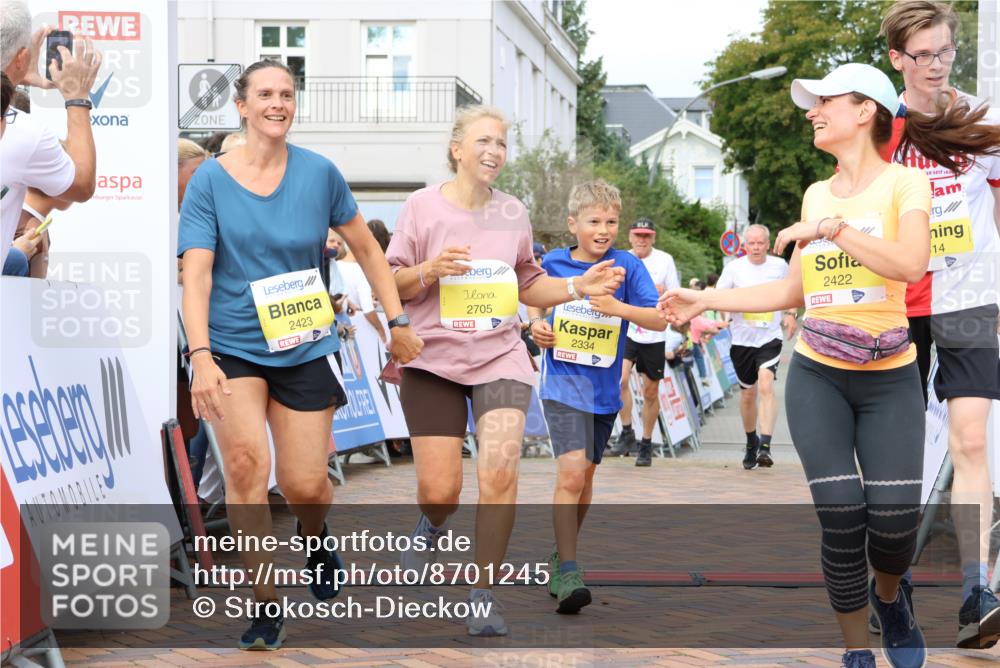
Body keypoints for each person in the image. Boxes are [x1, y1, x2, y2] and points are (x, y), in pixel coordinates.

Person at [657, 62, 998, 668]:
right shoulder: (816, 193)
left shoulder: (904, 185)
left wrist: (831, 230)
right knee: (842, 519)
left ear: (865, 110)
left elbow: (909, 263)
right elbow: (793, 292)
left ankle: (889, 598)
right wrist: (705, 298)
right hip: (818, 373)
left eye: (825, 101)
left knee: (893, 530)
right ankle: (855, 651)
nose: (813, 111)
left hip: (889, 376)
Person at [178, 59, 422, 650]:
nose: (277, 103)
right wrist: (201, 355)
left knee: (305, 484)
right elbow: (197, 275)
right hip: (233, 343)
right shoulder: (210, 180)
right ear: (242, 106)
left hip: (304, 342)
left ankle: (316, 537)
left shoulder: (319, 174)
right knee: (245, 469)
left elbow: (368, 250)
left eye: (286, 94)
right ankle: (265, 605)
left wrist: (396, 320)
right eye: (265, 94)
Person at [385, 104, 624, 637]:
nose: (495, 151)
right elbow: (391, 281)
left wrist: (576, 287)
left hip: (500, 357)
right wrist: (429, 269)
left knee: (498, 473)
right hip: (433, 360)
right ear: (457, 150)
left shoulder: (513, 211)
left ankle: (482, 595)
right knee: (441, 490)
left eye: (501, 143)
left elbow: (527, 281)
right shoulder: (421, 206)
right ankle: (431, 525)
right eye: (484, 141)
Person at [878, 1, 1000, 649]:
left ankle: (978, 590)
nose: (936, 65)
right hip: (900, 303)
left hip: (970, 298)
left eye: (945, 51)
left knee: (972, 440)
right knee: (900, 454)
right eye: (922, 55)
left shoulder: (984, 119)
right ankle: (892, 582)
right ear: (897, 58)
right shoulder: (879, 128)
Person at [527, 179, 662, 614]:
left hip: (604, 392)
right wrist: (536, 325)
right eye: (593, 221)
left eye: (611, 222)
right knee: (570, 475)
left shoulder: (627, 265)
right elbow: (532, 298)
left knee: (584, 479)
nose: (603, 230)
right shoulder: (553, 262)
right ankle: (569, 571)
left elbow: (658, 319)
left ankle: (560, 554)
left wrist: (618, 308)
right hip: (562, 385)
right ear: (573, 224)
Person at [1, 2, 101, 267]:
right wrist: (77, 97)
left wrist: (15, 75)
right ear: (22, 57)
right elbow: (81, 184)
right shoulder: (23, 134)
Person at [715, 224, 798, 469]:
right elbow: (719, 297)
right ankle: (751, 441)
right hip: (742, 340)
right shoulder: (734, 268)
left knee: (766, 385)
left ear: (767, 244)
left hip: (769, 338)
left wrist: (791, 314)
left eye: (760, 243)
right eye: (751, 243)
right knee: (748, 394)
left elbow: (793, 291)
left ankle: (765, 446)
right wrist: (725, 315)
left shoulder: (779, 266)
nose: (756, 247)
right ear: (744, 245)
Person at [610, 218, 680, 465]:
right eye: (638, 235)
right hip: (627, 330)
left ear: (653, 238)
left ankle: (646, 442)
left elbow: (676, 295)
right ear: (630, 236)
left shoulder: (665, 260)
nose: (642, 240)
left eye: (646, 236)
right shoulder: (620, 259)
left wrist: (663, 294)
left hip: (653, 334)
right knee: (620, 380)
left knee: (650, 392)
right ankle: (627, 431)